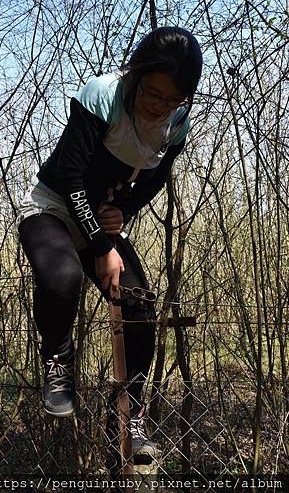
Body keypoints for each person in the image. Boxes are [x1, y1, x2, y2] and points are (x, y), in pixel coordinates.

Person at [17, 26, 203, 461]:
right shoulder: (103, 95)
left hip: (99, 220)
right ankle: (58, 362)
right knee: (62, 277)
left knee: (139, 306)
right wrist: (102, 246)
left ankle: (128, 417)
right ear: (136, 76)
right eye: (152, 93)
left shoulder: (176, 124)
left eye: (173, 99)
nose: (159, 106)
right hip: (53, 207)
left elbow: (154, 180)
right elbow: (69, 176)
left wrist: (124, 211)